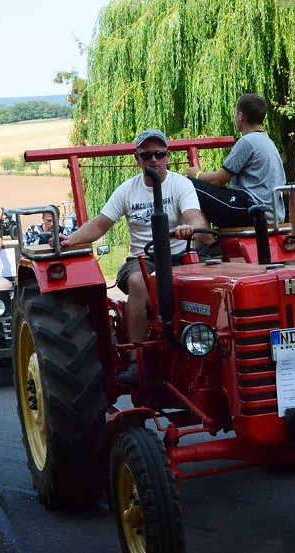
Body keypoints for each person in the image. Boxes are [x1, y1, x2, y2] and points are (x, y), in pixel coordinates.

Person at [60, 129, 208, 384]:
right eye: (147, 155)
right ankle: (135, 358)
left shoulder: (180, 184)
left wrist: (190, 227)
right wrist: (71, 239)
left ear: (167, 157)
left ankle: (203, 346)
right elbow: (100, 224)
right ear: (137, 158)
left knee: (210, 282)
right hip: (142, 260)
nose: (154, 160)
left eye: (159, 154)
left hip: (180, 255)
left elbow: (194, 215)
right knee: (140, 282)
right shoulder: (128, 190)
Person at [186, 94, 286, 228]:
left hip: (251, 209)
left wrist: (197, 174)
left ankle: (208, 242)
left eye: (235, 113)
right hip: (271, 212)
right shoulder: (267, 141)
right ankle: (203, 240)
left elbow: (219, 180)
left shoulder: (248, 142)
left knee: (188, 185)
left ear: (241, 116)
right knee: (205, 195)